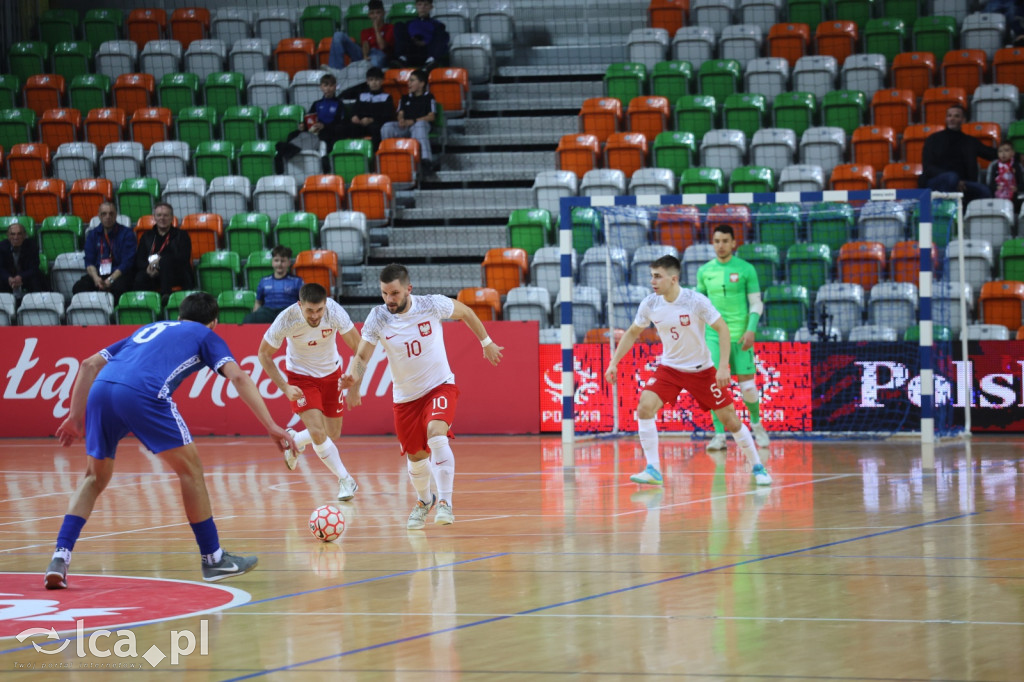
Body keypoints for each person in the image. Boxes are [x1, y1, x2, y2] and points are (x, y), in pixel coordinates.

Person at [46, 292, 297, 589]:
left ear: (179, 316)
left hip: (101, 391)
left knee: (93, 478)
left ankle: (59, 556)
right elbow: (239, 377)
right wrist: (270, 425)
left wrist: (76, 418)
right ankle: (214, 559)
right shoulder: (205, 334)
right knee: (190, 471)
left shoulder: (148, 329)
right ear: (214, 322)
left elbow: (88, 365)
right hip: (142, 394)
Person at [340, 263, 504, 529]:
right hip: (405, 398)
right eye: (384, 293)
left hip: (440, 386)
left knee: (437, 433)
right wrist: (353, 377)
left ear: (408, 289)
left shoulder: (431, 305)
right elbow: (361, 356)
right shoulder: (378, 317)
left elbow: (466, 312)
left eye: (394, 293)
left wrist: (486, 343)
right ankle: (424, 500)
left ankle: (446, 503)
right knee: (416, 458)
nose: (388, 299)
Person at [603, 255, 772, 488]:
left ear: (673, 279)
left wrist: (723, 366)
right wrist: (613, 363)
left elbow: (722, 329)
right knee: (644, 407)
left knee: (730, 420)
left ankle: (758, 467)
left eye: (657, 276)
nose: (652, 281)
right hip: (670, 368)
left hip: (702, 370)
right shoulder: (650, 304)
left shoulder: (695, 301)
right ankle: (653, 468)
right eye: (651, 276)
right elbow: (632, 333)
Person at [257, 283, 362, 501]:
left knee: (332, 433)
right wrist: (284, 386)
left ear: (325, 305)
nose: (315, 316)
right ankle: (346, 480)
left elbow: (360, 348)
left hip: (332, 374)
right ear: (299, 305)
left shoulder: (334, 312)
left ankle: (295, 438)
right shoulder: (287, 318)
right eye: (310, 311)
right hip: (301, 378)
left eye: (319, 310)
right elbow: (263, 354)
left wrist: (355, 385)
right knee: (317, 432)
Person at [696, 225, 770, 452]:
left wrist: (751, 329)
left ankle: (756, 425)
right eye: (716, 241)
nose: (720, 245)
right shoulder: (705, 271)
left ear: (734, 243)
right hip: (714, 335)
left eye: (725, 241)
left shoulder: (746, 269)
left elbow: (756, 302)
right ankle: (719, 435)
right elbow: (700, 305)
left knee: (747, 387)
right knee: (714, 386)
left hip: (740, 335)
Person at [921, 105, 998, 203]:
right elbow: (928, 167)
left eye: (956, 116)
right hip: (936, 182)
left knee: (984, 191)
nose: (952, 119)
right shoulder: (933, 139)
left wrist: (1016, 155)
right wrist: (955, 180)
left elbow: (992, 153)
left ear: (963, 120)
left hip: (963, 183)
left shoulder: (970, 141)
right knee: (951, 177)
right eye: (949, 116)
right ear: (946, 119)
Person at [276, 73, 346, 172]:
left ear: (335, 87)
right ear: (321, 87)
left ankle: (323, 160)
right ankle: (288, 153)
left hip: (329, 131)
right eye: (325, 85)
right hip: (314, 130)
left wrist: (324, 126)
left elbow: (340, 123)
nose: (328, 88)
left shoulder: (339, 104)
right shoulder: (316, 104)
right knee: (293, 134)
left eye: (331, 85)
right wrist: (303, 125)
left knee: (327, 135)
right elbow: (308, 119)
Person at [132, 202, 194, 300]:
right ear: (154, 217)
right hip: (152, 273)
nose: (162, 218)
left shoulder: (182, 235)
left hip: (175, 274)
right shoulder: (147, 236)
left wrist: (160, 261)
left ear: (171, 217)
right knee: (140, 277)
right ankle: (141, 303)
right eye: (159, 215)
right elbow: (140, 260)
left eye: (166, 215)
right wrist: (148, 268)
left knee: (166, 260)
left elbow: (184, 258)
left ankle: (166, 297)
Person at [380, 69, 437, 171]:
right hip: (405, 126)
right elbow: (400, 113)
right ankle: (389, 157)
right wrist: (401, 120)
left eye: (412, 80)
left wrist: (414, 121)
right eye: (409, 80)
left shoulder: (429, 97)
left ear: (422, 84)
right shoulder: (404, 98)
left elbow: (431, 116)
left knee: (420, 125)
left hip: (419, 125)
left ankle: (426, 161)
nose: (408, 83)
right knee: (387, 127)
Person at [338, 66, 396, 150]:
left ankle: (374, 154)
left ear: (382, 81)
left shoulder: (387, 97)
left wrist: (371, 120)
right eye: (371, 80)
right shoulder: (362, 95)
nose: (374, 83)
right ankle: (348, 151)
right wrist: (354, 116)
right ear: (367, 81)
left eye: (377, 80)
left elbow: (388, 115)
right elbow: (355, 110)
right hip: (360, 124)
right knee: (344, 127)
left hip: (376, 125)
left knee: (376, 129)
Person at [243, 245, 303, 324]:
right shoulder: (264, 281)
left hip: (287, 312)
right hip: (268, 312)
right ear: (272, 262)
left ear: (288, 262)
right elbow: (258, 302)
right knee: (249, 319)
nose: (279, 264)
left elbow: (303, 302)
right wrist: (255, 314)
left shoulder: (297, 281)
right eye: (276, 260)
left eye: (283, 261)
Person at [329, 0, 393, 70]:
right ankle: (336, 70)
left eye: (378, 13)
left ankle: (363, 68)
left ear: (383, 13)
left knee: (374, 60)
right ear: (369, 15)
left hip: (381, 55)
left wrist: (376, 29)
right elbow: (365, 44)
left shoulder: (390, 28)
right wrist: (365, 56)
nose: (375, 16)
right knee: (338, 35)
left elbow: (382, 47)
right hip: (365, 56)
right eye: (372, 13)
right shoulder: (365, 31)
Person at [393, 0, 449, 69]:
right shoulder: (408, 24)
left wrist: (425, 42)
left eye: (426, 5)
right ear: (416, 6)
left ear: (431, 7)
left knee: (444, 34)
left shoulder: (437, 25)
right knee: (399, 25)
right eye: (420, 4)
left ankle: (431, 61)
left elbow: (439, 40)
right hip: (410, 51)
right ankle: (402, 58)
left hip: (428, 52)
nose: (423, 7)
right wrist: (413, 40)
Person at [0, 220, 46, 298]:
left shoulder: (32, 246)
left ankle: (38, 303)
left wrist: (20, 277)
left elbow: (34, 268)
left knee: (37, 278)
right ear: (8, 236)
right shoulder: (1, 247)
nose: (16, 237)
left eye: (19, 234)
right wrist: (9, 278)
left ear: (24, 235)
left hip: (26, 277)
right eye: (12, 234)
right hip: (8, 278)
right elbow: (1, 268)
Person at [986, 141, 1024, 215]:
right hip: (998, 196)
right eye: (1000, 151)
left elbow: (1022, 183)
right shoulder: (994, 166)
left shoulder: (1017, 166)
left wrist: (1016, 188)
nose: (1003, 153)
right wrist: (996, 187)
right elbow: (990, 183)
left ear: (1012, 153)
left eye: (1006, 150)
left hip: (1014, 196)